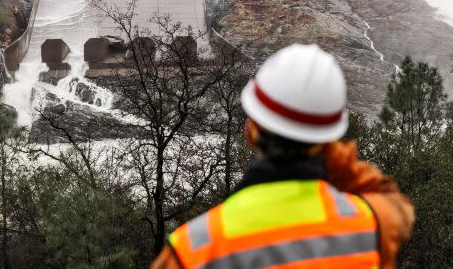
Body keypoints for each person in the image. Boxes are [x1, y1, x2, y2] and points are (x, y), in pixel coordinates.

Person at [151, 43, 414, 269]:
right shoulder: (370, 225)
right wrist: (333, 157)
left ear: (251, 130)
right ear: (328, 141)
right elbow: (394, 202)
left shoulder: (195, 248)